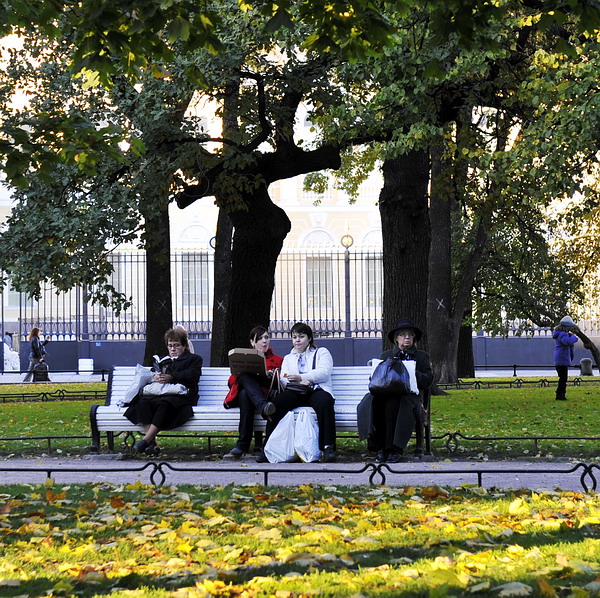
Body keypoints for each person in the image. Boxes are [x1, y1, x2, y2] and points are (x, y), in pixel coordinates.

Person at [258, 322, 336, 463]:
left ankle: (328, 447)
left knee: (325, 402)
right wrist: (294, 381)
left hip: (316, 389)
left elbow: (324, 373)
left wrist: (303, 377)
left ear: (309, 338)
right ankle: (267, 448)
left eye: (301, 336)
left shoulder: (321, 352)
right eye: (294, 337)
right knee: (276, 404)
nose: (297, 340)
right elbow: (284, 379)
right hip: (296, 391)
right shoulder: (289, 358)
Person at [363, 319, 433, 463]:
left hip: (408, 395)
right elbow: (375, 378)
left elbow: (428, 380)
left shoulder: (421, 356)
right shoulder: (386, 356)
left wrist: (412, 372)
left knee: (396, 404)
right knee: (372, 402)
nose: (407, 337)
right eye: (402, 334)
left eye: (410, 335)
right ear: (396, 339)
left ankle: (394, 449)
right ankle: (380, 448)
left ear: (414, 338)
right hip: (384, 394)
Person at [124, 327, 203, 454]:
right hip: (161, 393)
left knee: (165, 404)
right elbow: (151, 375)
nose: (172, 349)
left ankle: (145, 441)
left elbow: (193, 375)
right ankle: (152, 444)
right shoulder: (163, 360)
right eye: (170, 345)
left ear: (184, 346)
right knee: (143, 402)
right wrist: (155, 377)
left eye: (176, 345)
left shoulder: (194, 359)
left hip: (183, 395)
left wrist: (172, 377)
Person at [223, 326, 283, 459]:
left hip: (266, 395)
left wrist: (270, 375)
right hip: (259, 401)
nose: (264, 341)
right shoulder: (244, 358)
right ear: (252, 342)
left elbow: (281, 383)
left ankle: (242, 445)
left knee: (245, 394)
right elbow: (230, 383)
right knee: (245, 378)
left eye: (266, 338)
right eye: (260, 338)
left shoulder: (277, 360)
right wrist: (241, 372)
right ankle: (262, 407)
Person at [553, 315, 578, 401]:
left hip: (560, 359)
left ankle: (560, 394)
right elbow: (567, 342)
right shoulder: (562, 334)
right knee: (563, 378)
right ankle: (560, 395)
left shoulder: (560, 334)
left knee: (563, 378)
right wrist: (574, 337)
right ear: (566, 327)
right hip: (561, 359)